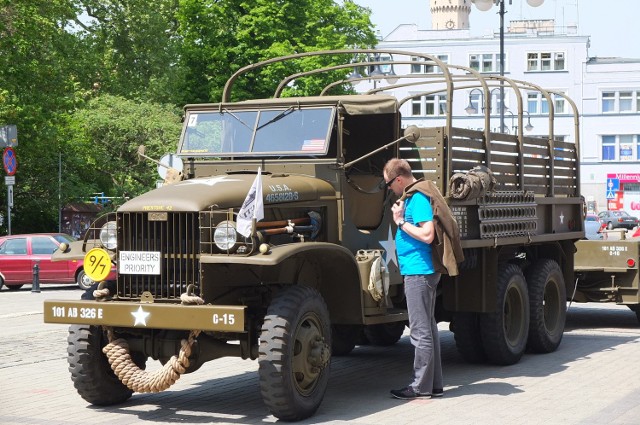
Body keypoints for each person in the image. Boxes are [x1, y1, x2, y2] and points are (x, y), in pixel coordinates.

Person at [383, 158, 444, 400]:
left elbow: (428, 234)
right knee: (427, 327)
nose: (389, 188)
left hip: (419, 271)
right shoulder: (415, 196)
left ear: (399, 179)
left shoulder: (417, 198)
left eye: (389, 183)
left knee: (420, 331)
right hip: (420, 270)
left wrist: (400, 221)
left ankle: (420, 386)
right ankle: (434, 385)